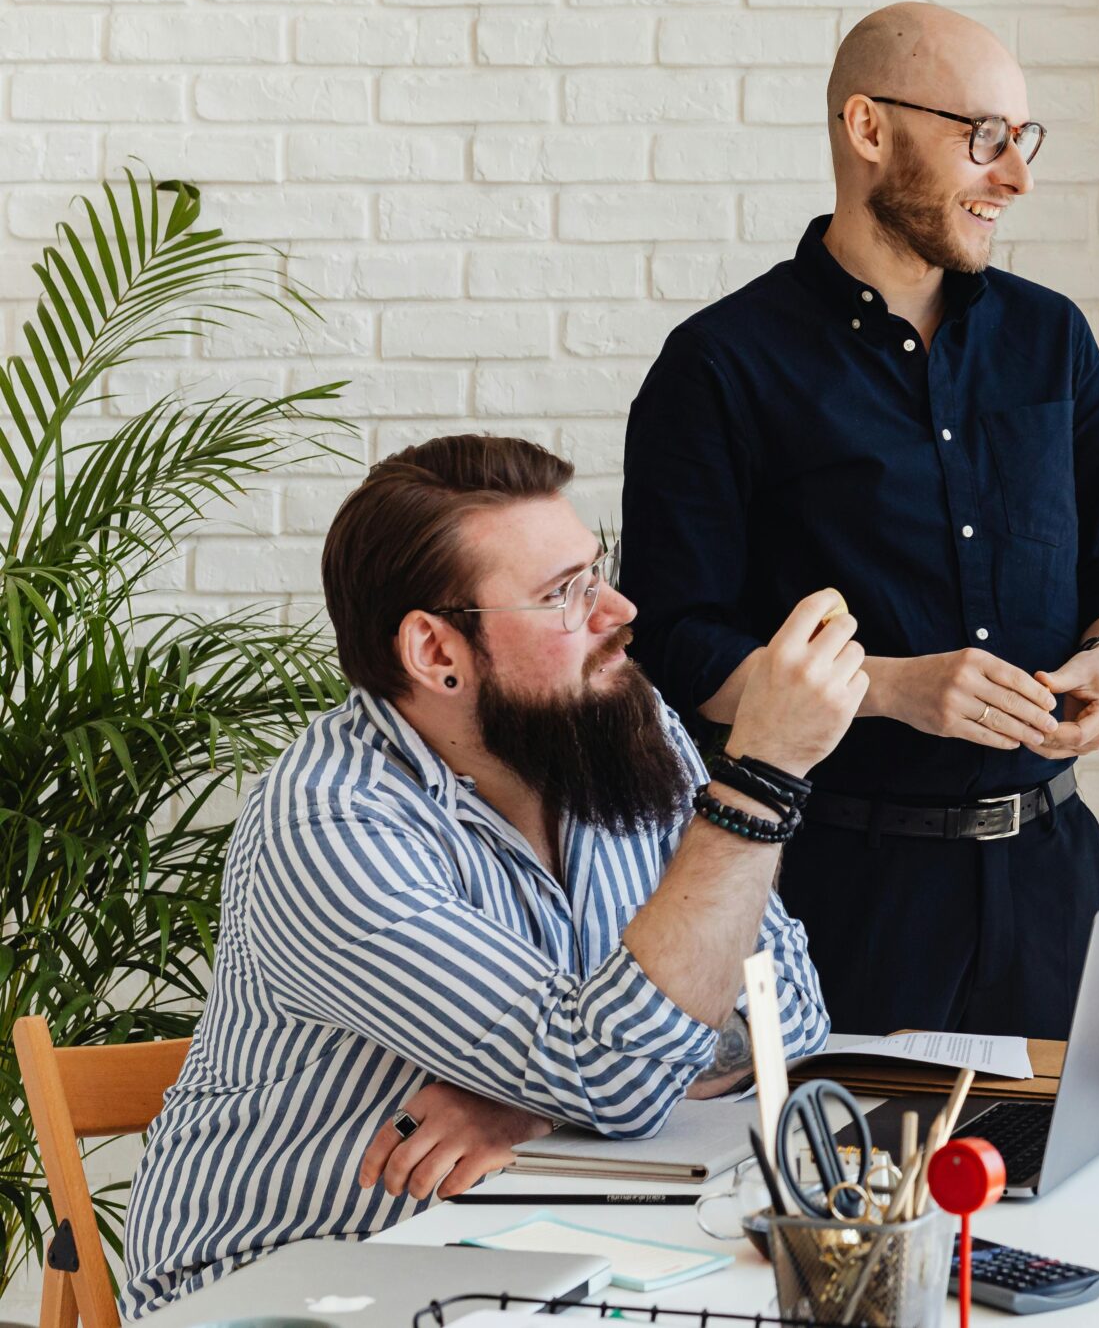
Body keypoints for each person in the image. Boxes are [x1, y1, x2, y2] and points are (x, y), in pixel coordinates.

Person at [121, 435, 861, 1316]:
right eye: (563, 594)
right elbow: (613, 1074)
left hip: (511, 1248)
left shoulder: (620, 724)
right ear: (437, 651)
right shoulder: (330, 821)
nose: (618, 610)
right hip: (283, 1280)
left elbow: (790, 1016)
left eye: (598, 573)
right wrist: (760, 779)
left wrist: (541, 1097)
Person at [621, 1, 1099, 1039]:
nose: (1016, 177)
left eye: (1022, 141)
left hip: (1053, 878)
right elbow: (675, 645)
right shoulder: (718, 367)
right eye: (984, 139)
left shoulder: (1051, 338)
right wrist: (888, 689)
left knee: (1060, 1193)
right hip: (840, 896)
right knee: (850, 1196)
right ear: (868, 130)